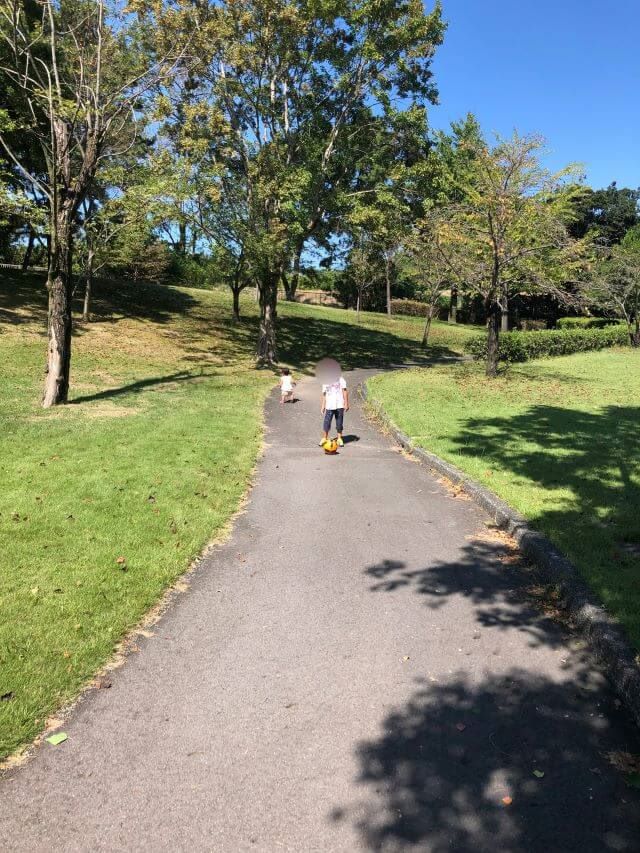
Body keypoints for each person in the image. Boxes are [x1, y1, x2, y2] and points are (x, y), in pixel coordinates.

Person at [320, 374, 349, 446]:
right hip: (329, 406)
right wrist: (323, 406)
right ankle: (324, 438)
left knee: (339, 422)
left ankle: (339, 438)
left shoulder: (340, 379)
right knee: (327, 422)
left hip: (339, 404)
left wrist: (346, 403)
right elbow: (324, 394)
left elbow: (345, 391)